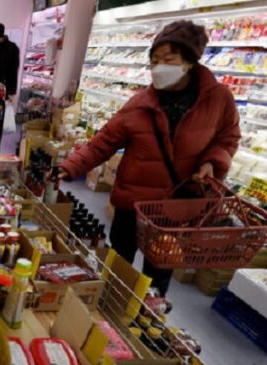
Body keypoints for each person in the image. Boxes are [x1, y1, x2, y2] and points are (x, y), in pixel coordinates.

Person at [58, 20, 240, 297]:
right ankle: (111, 313)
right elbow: (102, 142)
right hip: (133, 202)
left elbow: (228, 138)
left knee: (158, 275)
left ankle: (146, 327)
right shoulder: (140, 103)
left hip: (178, 206)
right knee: (119, 266)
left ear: (190, 61)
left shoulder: (219, 99)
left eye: (169, 59)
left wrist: (212, 163)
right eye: (154, 60)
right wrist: (69, 167)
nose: (159, 67)